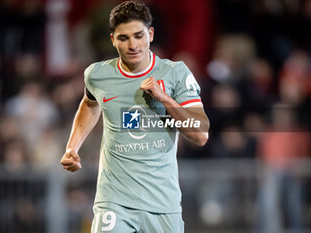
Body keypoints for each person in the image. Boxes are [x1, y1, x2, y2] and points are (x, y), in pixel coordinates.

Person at [60, 1, 210, 232]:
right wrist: (72, 147)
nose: (132, 45)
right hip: (114, 202)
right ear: (113, 40)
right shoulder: (98, 75)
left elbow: (200, 134)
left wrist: (166, 99)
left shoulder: (175, 73)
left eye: (138, 35)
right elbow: (90, 104)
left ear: (150, 34)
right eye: (123, 38)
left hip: (162, 203)